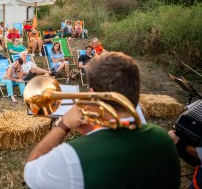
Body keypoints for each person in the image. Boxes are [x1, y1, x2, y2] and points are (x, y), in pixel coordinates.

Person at [24, 52, 181, 189]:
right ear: (136, 90)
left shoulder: (71, 156)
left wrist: (63, 124)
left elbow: (30, 173)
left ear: (92, 93)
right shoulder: (164, 139)